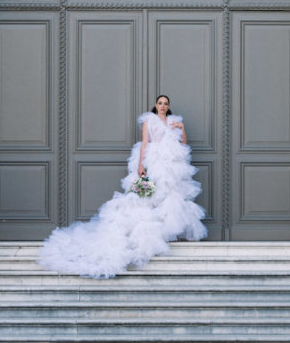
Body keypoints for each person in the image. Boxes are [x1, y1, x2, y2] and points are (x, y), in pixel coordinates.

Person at [38, 94, 206, 278]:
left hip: (171, 164)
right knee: (148, 198)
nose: (163, 106)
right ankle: (147, 234)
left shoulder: (174, 121)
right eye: (160, 103)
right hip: (154, 160)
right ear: (156, 105)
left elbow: (183, 143)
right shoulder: (149, 121)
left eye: (165, 104)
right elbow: (144, 143)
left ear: (168, 106)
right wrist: (141, 165)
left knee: (171, 196)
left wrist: (182, 128)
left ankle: (167, 233)